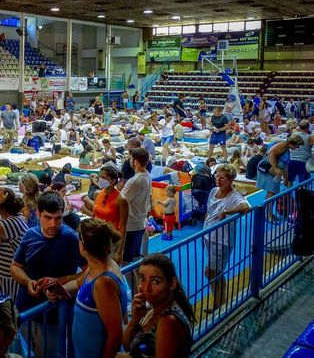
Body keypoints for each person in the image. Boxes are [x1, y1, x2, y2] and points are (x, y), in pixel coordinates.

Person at [10, 191, 86, 354]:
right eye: (48, 218)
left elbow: (89, 272)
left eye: (58, 218)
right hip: (25, 309)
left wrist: (60, 281)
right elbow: (15, 266)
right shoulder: (30, 235)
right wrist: (28, 281)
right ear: (38, 213)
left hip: (54, 316)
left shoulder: (70, 238)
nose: (53, 224)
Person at [48, 219, 128, 358]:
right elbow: (78, 284)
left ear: (83, 246)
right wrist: (58, 289)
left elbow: (115, 335)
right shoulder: (95, 267)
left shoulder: (103, 283)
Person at [123, 254, 194, 358]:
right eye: (142, 279)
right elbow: (126, 345)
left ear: (172, 284)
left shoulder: (168, 321)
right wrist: (134, 320)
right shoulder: (154, 308)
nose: (146, 288)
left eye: (155, 281)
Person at [203, 164, 250, 312]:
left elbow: (245, 207)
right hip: (209, 238)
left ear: (230, 180)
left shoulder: (235, 196)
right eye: (217, 176)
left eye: (222, 177)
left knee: (211, 273)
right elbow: (209, 212)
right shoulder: (213, 191)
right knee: (215, 273)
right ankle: (220, 304)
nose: (218, 179)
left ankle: (219, 305)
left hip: (222, 242)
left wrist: (227, 212)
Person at [117, 148, 151, 293]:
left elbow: (120, 201)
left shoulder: (134, 180)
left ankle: (137, 296)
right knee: (136, 261)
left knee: (126, 264)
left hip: (131, 226)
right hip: (140, 222)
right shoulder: (147, 175)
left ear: (135, 161)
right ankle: (141, 293)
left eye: (131, 159)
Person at [81, 164, 127, 232]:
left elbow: (123, 226)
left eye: (103, 177)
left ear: (112, 181)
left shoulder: (121, 199)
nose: (100, 179)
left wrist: (121, 242)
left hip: (111, 235)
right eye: (99, 176)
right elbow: (94, 216)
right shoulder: (97, 193)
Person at [256, 136, 303, 201]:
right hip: (268, 169)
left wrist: (285, 178)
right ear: (294, 143)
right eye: (298, 145)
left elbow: (285, 164)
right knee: (272, 192)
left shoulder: (286, 147)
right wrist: (276, 168)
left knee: (273, 192)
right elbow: (271, 153)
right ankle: (268, 210)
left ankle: (267, 210)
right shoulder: (283, 145)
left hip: (272, 170)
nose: (298, 147)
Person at [288, 120, 314, 184]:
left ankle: (288, 194)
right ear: (308, 128)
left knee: (289, 180)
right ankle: (302, 193)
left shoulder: (293, 134)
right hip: (303, 162)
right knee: (304, 182)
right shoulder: (310, 138)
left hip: (291, 160)